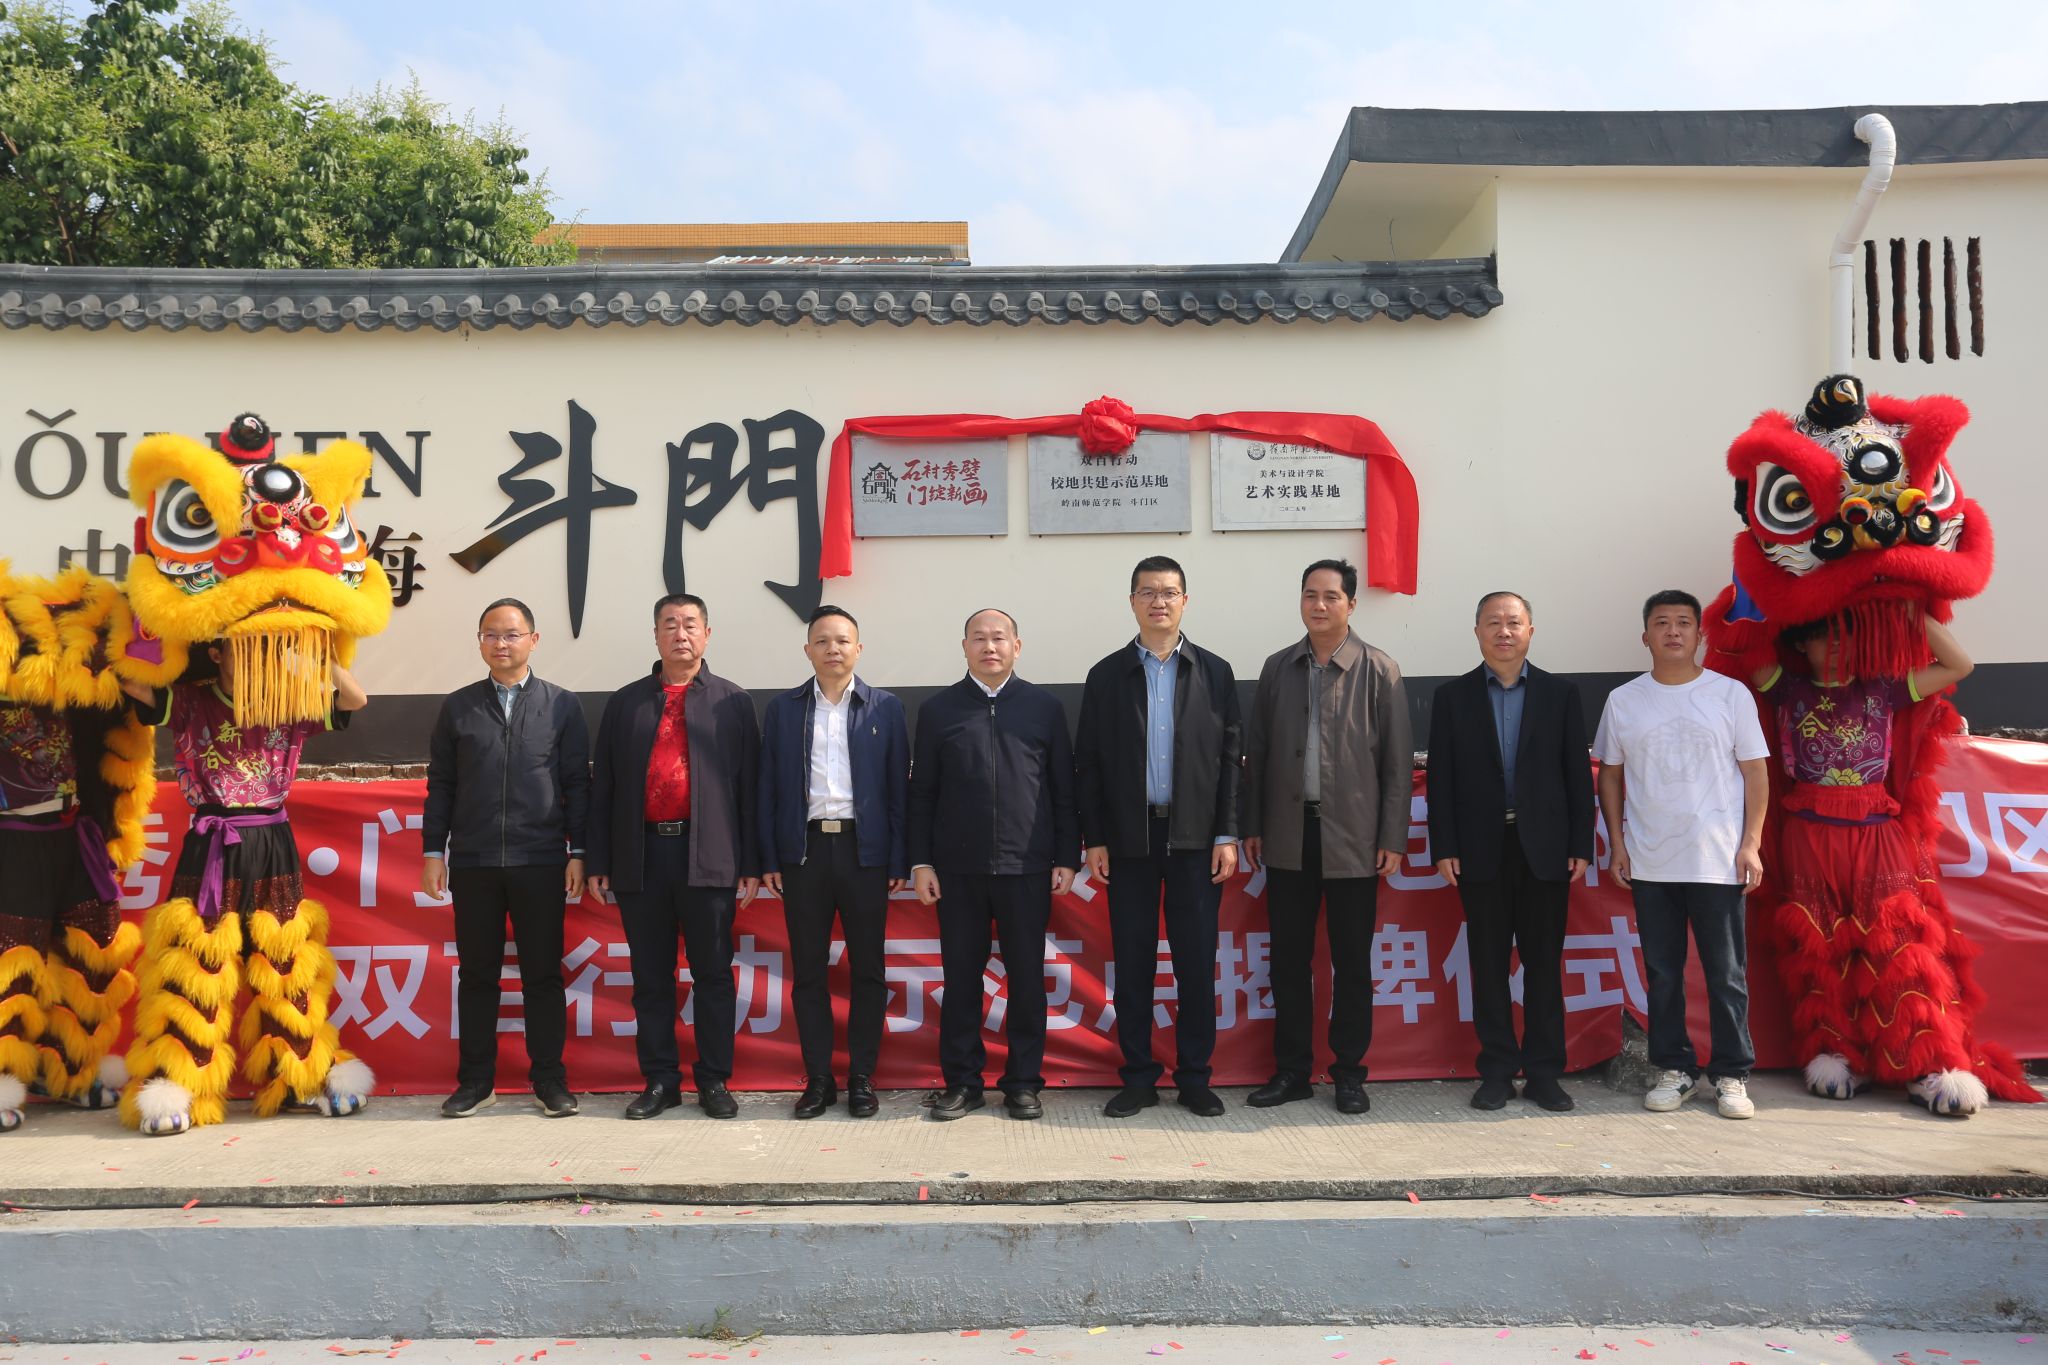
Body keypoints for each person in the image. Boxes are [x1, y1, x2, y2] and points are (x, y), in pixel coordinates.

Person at [1752, 613, 1982, 1112]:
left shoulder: (1886, 689)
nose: (1835, 647)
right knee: (1819, 947)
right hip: (1808, 833)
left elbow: (1959, 664)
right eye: (1822, 638)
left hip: (1877, 830)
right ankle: (1837, 1053)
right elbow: (1740, 647)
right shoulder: (1786, 687)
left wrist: (1908, 610)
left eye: (1845, 637)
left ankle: (1923, 1064)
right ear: (1801, 645)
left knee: (1898, 945)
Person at [1241, 559, 1412, 1115]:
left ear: (1351, 605)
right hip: (1288, 835)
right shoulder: (1277, 668)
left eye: (1331, 596)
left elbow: (1397, 764)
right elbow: (1258, 753)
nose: (1319, 605)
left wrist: (1391, 836)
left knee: (1351, 963)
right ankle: (1291, 1071)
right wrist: (1253, 826)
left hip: (1355, 839)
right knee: (1288, 960)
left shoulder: (1379, 669)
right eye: (1310, 595)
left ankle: (1349, 1074)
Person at [1075, 556, 1241, 1120]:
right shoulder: (1106, 675)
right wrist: (1095, 837)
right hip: (1130, 839)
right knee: (1134, 962)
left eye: (1169, 592)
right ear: (1132, 602)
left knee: (1195, 963)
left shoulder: (1214, 671)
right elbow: (1089, 762)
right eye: (1148, 592)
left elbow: (1230, 759)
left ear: (1185, 601)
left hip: (1196, 838)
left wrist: (1227, 833)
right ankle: (1138, 1077)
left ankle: (1194, 1077)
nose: (1159, 602)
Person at [1594, 590, 1770, 1120]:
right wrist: (1618, 843)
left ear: (1699, 634)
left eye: (1684, 623)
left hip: (1718, 858)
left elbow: (1755, 771)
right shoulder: (1624, 700)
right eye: (1662, 623)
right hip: (1651, 859)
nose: (1673, 631)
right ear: (1645, 636)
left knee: (1726, 974)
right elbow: (1610, 775)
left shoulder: (1729, 694)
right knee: (1663, 973)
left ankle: (1732, 1073)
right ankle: (1674, 1069)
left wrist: (1751, 842)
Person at [587, 594, 761, 1121]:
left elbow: (750, 791)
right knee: (651, 978)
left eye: (690, 625)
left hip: (709, 855)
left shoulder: (733, 702)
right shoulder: (626, 703)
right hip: (642, 857)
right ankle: (660, 1080)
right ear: (656, 635)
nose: (680, 634)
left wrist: (751, 864)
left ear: (707, 634)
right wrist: (599, 861)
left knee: (713, 974)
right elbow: (604, 788)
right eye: (669, 625)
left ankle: (714, 1080)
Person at [421, 598, 589, 1120]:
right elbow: (441, 785)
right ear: (480, 642)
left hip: (540, 859)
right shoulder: (459, 707)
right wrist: (434, 851)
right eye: (491, 634)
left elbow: (576, 785)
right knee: (477, 976)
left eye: (512, 634)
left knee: (542, 975)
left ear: (533, 641)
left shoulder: (562, 705)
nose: (501, 644)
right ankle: (476, 1082)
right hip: (474, 861)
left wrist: (578, 851)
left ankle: (549, 1081)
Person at [908, 608, 1079, 1121]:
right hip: (957, 870)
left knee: (1026, 979)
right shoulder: (938, 710)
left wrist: (1066, 856)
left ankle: (1023, 1083)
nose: (989, 647)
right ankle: (963, 1082)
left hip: (1027, 867)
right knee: (962, 980)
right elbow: (922, 793)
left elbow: (1063, 790)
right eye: (979, 638)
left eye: (999, 638)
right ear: (964, 647)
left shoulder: (1044, 708)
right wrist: (921, 862)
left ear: (1016, 646)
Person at [1427, 591, 1595, 1112]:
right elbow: (1441, 780)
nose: (1504, 631)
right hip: (1480, 849)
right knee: (1488, 963)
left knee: (1544, 966)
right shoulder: (1452, 697)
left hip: (1545, 849)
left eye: (1514, 622)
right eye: (1493, 622)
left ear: (1530, 632)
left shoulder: (1560, 695)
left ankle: (1545, 1073)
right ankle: (1497, 1071)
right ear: (1477, 631)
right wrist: (1444, 845)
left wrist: (1580, 844)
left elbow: (1577, 777)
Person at [758, 605, 910, 1120]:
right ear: (807, 650)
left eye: (843, 640)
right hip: (804, 853)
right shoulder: (783, 710)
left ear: (858, 649)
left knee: (869, 969)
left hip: (865, 853)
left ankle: (862, 1077)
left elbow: (899, 790)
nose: (833, 649)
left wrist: (897, 858)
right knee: (809, 972)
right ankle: (819, 1079)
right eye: (822, 641)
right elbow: (768, 790)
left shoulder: (885, 708)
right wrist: (771, 855)